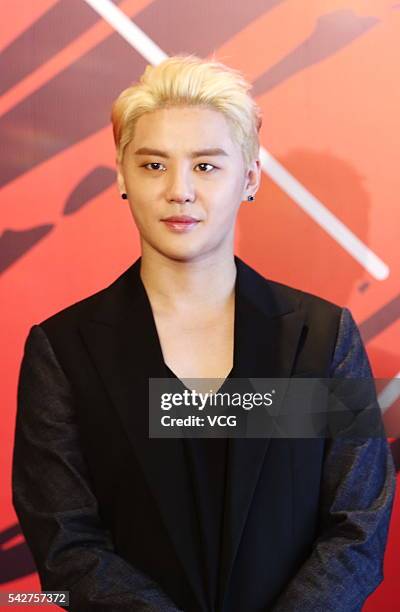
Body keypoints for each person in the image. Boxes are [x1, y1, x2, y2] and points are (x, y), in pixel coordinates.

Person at [12, 54, 395, 612]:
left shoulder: (321, 338)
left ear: (250, 177)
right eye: (153, 166)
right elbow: (65, 543)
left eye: (207, 166)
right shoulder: (66, 351)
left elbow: (357, 525)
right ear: (122, 178)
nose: (180, 191)